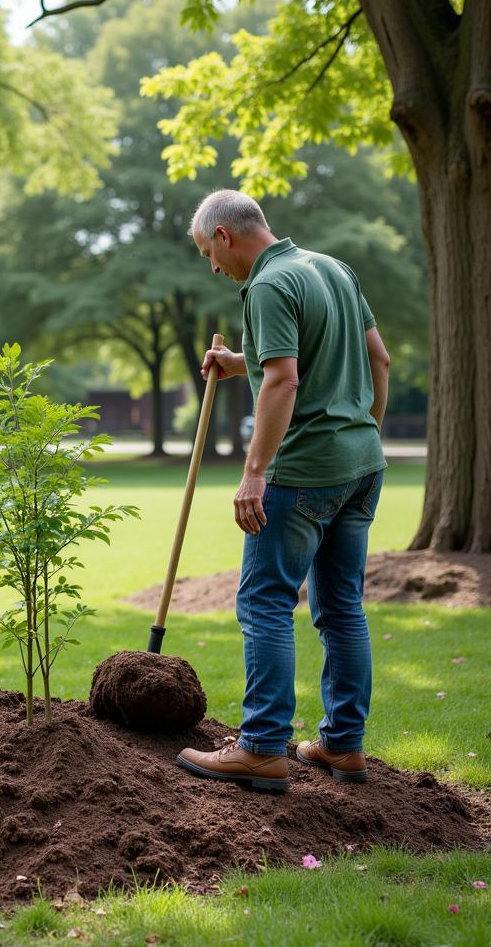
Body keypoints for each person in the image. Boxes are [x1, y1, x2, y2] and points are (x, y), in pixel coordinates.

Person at [175, 191, 391, 792]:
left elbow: (287, 378)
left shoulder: (267, 286)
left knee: (266, 601)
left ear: (223, 235)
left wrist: (254, 471)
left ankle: (263, 747)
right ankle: (343, 746)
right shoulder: (331, 269)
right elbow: (378, 357)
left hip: (303, 474)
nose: (214, 270)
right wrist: (363, 428)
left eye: (207, 255)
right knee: (342, 607)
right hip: (362, 467)